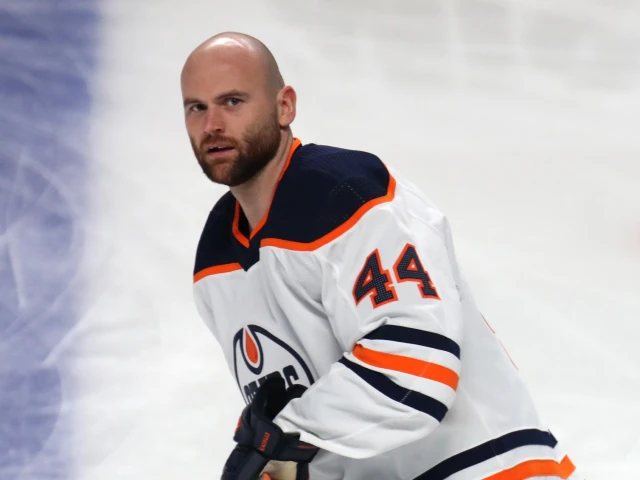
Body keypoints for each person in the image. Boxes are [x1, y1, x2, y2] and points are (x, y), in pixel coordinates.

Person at [181, 32, 579, 480]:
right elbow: (327, 428)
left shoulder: (345, 194)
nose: (212, 123)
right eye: (196, 107)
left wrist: (282, 441)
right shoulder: (215, 259)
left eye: (232, 101)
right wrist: (287, 464)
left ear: (284, 106)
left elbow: (416, 369)